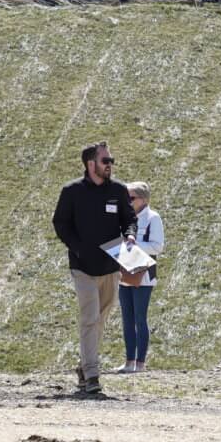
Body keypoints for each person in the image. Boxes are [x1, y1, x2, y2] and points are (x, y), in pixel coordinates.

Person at [51, 142, 136, 396]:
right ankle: (92, 375)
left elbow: (128, 219)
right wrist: (78, 249)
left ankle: (83, 367)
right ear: (91, 164)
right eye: (105, 160)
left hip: (110, 266)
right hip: (83, 268)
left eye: (111, 160)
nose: (110, 165)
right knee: (90, 318)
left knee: (100, 320)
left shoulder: (119, 190)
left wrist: (130, 235)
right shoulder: (72, 191)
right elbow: (60, 223)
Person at [113, 181, 164, 373]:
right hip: (125, 271)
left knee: (140, 318)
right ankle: (128, 361)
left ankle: (140, 363)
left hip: (144, 274)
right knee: (127, 318)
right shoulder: (124, 217)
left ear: (143, 199)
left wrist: (134, 244)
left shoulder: (153, 218)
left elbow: (158, 246)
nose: (127, 201)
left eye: (131, 198)